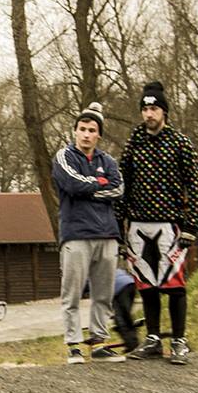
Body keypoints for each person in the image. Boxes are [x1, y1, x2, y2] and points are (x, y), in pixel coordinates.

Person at [117, 81, 198, 365]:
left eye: (154, 109)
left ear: (163, 111)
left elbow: (195, 185)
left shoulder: (180, 143)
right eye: (145, 109)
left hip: (170, 224)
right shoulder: (134, 143)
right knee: (147, 284)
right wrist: (119, 229)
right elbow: (122, 186)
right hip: (138, 225)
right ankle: (153, 339)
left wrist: (191, 225)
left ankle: (179, 340)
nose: (149, 114)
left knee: (174, 284)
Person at [52, 102, 125, 364]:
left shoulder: (109, 161)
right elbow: (71, 184)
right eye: (82, 129)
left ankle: (99, 343)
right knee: (71, 294)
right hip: (76, 234)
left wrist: (90, 189)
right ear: (75, 131)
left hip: (107, 234)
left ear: (98, 135)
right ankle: (74, 346)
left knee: (103, 294)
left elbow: (118, 189)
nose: (86, 134)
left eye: (92, 130)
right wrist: (99, 184)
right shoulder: (64, 156)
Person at [111, 267, 139, 353]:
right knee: (126, 316)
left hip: (119, 287)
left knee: (120, 318)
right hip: (131, 284)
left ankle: (132, 345)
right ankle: (132, 343)